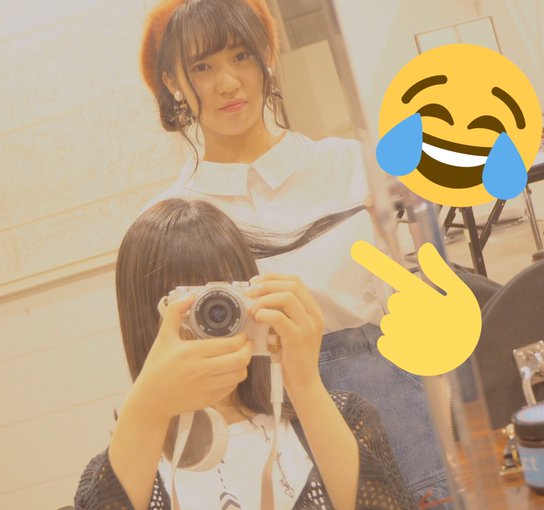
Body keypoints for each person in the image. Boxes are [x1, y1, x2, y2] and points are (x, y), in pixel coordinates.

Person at [138, 0, 452, 507]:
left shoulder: (352, 167)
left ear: (267, 54)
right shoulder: (172, 220)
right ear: (172, 81)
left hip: (386, 398)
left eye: (241, 56)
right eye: (202, 67)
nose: (229, 83)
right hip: (257, 425)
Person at [74, 199, 414, 509]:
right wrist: (145, 407)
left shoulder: (343, 417)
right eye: (188, 302)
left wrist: (305, 383)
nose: (211, 320)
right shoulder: (125, 469)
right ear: (146, 317)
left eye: (223, 298)